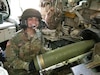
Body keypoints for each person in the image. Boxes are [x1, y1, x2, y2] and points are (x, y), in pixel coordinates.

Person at [4, 8, 46, 75]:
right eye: (30, 19)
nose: (34, 22)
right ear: (24, 21)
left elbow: (41, 49)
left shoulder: (39, 34)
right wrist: (27, 66)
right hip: (19, 70)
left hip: (35, 68)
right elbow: (11, 60)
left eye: (36, 20)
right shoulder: (16, 38)